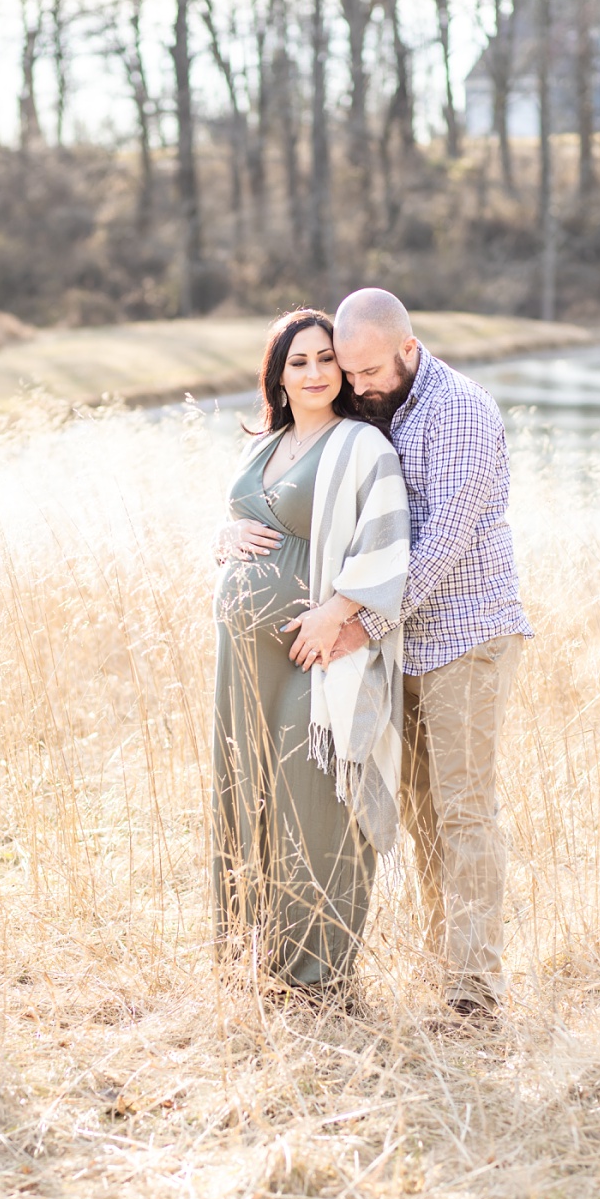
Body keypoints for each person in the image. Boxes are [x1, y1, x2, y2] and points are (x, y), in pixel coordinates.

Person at [320, 288, 534, 1023]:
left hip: (467, 635)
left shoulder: (458, 412)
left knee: (465, 811)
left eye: (371, 370)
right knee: (416, 810)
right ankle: (446, 963)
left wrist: (361, 623)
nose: (358, 385)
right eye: (349, 372)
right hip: (404, 643)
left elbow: (439, 545)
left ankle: (475, 993)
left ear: (408, 350)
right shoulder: (379, 406)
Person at [212, 309, 409, 1002]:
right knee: (246, 790)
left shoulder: (360, 446)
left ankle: (318, 973)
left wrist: (338, 611)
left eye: (326, 358)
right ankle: (251, 955)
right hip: (242, 659)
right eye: (298, 361)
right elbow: (242, 520)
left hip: (316, 654)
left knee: (313, 796)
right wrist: (224, 535)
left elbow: (387, 545)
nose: (315, 372)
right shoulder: (263, 444)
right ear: (277, 372)